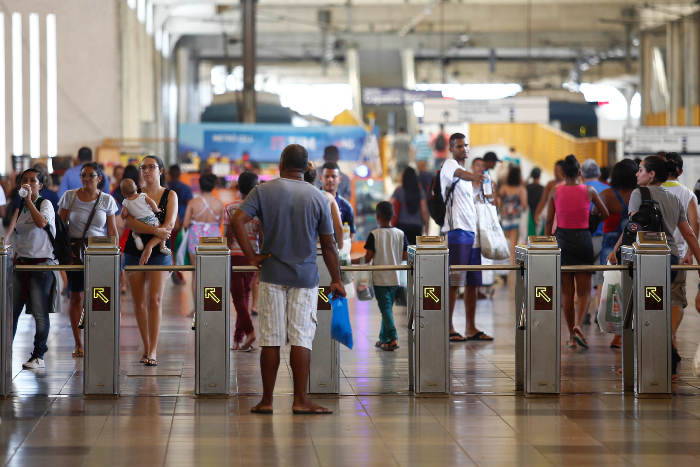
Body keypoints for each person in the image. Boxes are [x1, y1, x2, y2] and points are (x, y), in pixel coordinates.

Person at [231, 143, 345, 415]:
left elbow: (237, 220)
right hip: (305, 278)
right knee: (301, 338)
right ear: (307, 167)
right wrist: (336, 279)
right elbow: (329, 246)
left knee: (270, 339)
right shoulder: (318, 197)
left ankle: (267, 400)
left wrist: (252, 256)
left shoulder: (263, 190)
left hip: (271, 274)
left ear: (281, 163)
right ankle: (300, 400)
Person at [545, 155, 608, 348]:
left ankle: (572, 336)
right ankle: (579, 325)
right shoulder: (588, 190)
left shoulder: (555, 192)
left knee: (566, 292)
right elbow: (604, 212)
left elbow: (549, 221)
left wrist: (548, 241)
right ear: (579, 173)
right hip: (583, 240)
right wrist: (591, 219)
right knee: (583, 291)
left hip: (562, 240)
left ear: (562, 173)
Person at [58, 163, 119, 357]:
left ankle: (98, 338)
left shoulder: (107, 200)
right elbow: (60, 227)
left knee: (99, 298)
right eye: (83, 176)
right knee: (76, 297)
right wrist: (63, 253)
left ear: (99, 178)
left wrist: (115, 255)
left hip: (99, 252)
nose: (86, 179)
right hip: (75, 252)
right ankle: (78, 343)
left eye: (91, 176)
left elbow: (112, 231)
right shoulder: (70, 196)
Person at [122, 155, 177, 366]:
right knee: (138, 303)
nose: (146, 171)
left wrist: (150, 245)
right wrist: (154, 231)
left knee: (154, 299)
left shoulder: (169, 195)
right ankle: (145, 346)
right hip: (133, 252)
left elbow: (169, 226)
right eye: (143, 167)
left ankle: (152, 350)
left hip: (158, 252)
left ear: (160, 171)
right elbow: (128, 222)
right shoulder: (134, 194)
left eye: (151, 167)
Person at [440, 133, 490, 342]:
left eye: (466, 145)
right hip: (456, 230)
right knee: (454, 281)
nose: (464, 149)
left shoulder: (470, 179)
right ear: (452, 148)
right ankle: (449, 326)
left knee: (472, 282)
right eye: (459, 146)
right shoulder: (450, 166)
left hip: (472, 232)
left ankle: (471, 327)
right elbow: (461, 173)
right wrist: (475, 176)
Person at [6, 169, 57, 369]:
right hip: (23, 264)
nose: (28, 183)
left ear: (40, 185)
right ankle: (5, 350)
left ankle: (38, 355)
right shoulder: (22, 207)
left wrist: (28, 201)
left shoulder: (45, 204)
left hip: (41, 265)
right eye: (24, 181)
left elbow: (41, 223)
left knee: (39, 312)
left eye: (32, 181)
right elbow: (23, 237)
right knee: (13, 311)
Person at [352, 201, 408, 351]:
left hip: (380, 280)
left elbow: (368, 258)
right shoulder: (400, 234)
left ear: (377, 217)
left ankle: (393, 338)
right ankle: (383, 339)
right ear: (394, 216)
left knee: (385, 309)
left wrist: (350, 261)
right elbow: (405, 256)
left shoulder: (374, 235)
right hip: (396, 279)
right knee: (387, 308)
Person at [661, 153, 699, 365]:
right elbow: (694, 225)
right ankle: (672, 336)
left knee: (652, 297)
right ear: (681, 172)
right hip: (679, 255)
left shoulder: (652, 190)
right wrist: (690, 253)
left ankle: (658, 338)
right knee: (675, 297)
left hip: (653, 254)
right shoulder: (687, 194)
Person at [598, 159, 638, 348]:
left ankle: (615, 330)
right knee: (630, 287)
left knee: (608, 286)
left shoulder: (606, 194)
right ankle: (628, 330)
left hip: (609, 245)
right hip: (631, 245)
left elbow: (595, 217)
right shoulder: (638, 195)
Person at [224, 171, 260, 352]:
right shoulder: (260, 209)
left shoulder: (230, 208)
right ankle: (238, 340)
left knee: (238, 298)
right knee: (244, 297)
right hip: (253, 257)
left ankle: (250, 332)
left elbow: (228, 236)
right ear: (256, 188)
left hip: (235, 257)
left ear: (238, 188)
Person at [183, 174, 224, 313]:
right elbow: (220, 224)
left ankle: (196, 309)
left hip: (195, 236)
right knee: (212, 274)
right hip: (214, 237)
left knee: (195, 274)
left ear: (199, 185)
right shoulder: (219, 203)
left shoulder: (193, 203)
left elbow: (184, 224)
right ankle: (211, 307)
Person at [581, 159, 609, 317]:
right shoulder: (609, 189)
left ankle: (584, 314)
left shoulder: (579, 190)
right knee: (601, 278)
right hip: (603, 238)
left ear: (581, 174)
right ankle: (600, 312)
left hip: (583, 238)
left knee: (582, 275)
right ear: (599, 174)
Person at [120, 179, 172, 256]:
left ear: (123, 194)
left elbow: (124, 214)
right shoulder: (142, 195)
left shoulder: (126, 202)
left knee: (134, 233)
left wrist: (123, 215)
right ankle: (162, 246)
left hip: (139, 224)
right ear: (136, 188)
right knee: (161, 230)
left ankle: (137, 238)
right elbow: (151, 202)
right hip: (150, 220)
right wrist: (156, 210)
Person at [305, 163, 344, 250]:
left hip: (300, 246)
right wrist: (341, 249)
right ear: (317, 176)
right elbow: (339, 227)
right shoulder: (328, 197)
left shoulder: (294, 196)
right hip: (321, 247)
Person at [390, 167, 429, 245]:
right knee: (414, 252)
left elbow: (389, 204)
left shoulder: (399, 190)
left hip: (401, 225)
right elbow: (424, 210)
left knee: (401, 251)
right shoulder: (420, 191)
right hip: (417, 226)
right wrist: (427, 225)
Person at [498, 166, 527, 264]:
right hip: (516, 217)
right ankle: (512, 262)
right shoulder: (521, 189)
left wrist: (501, 212)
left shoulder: (504, 188)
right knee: (514, 240)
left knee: (506, 240)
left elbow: (500, 202)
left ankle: (505, 261)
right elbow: (524, 205)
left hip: (506, 216)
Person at [321, 161, 356, 242]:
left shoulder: (346, 206)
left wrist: (345, 248)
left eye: (333, 176)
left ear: (340, 179)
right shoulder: (313, 200)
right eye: (326, 176)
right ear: (321, 178)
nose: (330, 179)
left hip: (338, 251)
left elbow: (352, 231)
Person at [526, 168, 544, 236]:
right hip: (539, 213)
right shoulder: (542, 188)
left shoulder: (527, 187)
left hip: (530, 212)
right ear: (539, 176)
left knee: (530, 236)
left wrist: (528, 177)